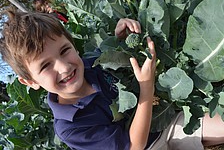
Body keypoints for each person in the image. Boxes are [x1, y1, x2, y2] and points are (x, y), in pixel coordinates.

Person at [0, 10, 224, 150]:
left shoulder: (92, 64)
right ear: (30, 82)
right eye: (45, 65)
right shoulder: (70, 128)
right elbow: (134, 146)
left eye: (65, 50)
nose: (64, 66)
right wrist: (147, 87)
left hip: (165, 126)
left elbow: (111, 52)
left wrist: (120, 37)